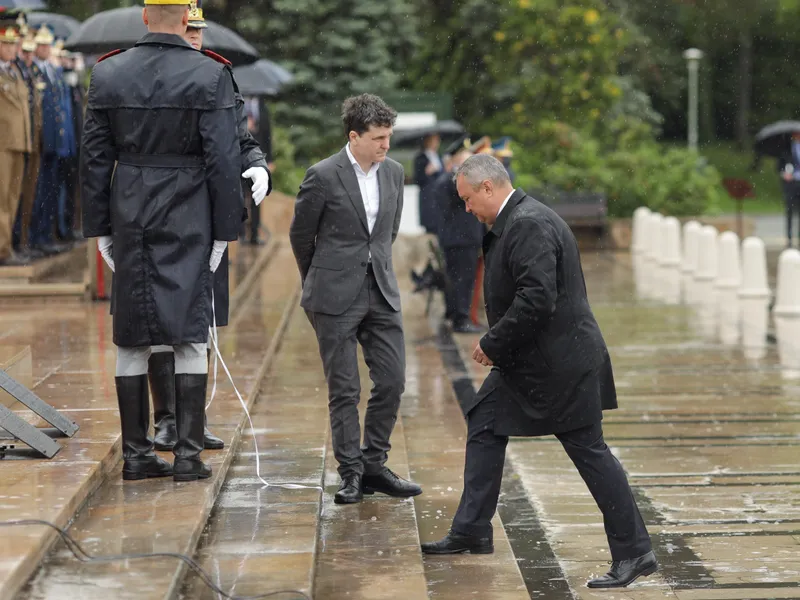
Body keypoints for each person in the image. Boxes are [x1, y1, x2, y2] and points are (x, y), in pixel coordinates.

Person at [422, 155, 658, 589]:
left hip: (562, 365)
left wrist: (492, 343)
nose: (467, 209)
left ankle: (635, 552)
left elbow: (537, 298)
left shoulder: (528, 223)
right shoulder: (515, 219)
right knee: (484, 421)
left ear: (489, 188)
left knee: (590, 452)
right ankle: (472, 529)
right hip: (533, 361)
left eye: (469, 199)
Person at [81, 0, 243, 482]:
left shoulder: (108, 74)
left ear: (147, 18)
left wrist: (99, 229)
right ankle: (188, 457)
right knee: (189, 332)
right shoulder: (210, 75)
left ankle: (137, 455)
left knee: (132, 335)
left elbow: (93, 161)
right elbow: (222, 161)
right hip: (189, 208)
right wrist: (226, 231)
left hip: (130, 208)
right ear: (184, 21)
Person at [145, 0, 271, 454]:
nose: (194, 38)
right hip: (162, 212)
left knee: (203, 320)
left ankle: (192, 420)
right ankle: (165, 419)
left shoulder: (220, 77)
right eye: (188, 30)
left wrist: (256, 164)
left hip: (207, 215)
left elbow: (242, 138)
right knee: (161, 320)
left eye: (199, 33)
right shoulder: (154, 74)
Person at [289, 94, 422, 504]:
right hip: (333, 295)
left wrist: (371, 264)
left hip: (380, 289)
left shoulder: (394, 173)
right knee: (344, 388)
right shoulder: (323, 175)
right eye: (378, 138)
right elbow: (300, 236)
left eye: (388, 137)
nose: (385, 145)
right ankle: (350, 473)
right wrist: (320, 278)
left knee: (393, 379)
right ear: (354, 136)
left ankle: (374, 464)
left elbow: (389, 231)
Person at [428, 147, 484, 333]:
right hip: (460, 240)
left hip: (462, 239)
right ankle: (461, 318)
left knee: (460, 279)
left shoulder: (448, 180)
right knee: (462, 280)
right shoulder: (450, 181)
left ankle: (456, 315)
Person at [0, 20, 31, 267]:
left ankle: (7, 246)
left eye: (12, 44)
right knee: (2, 200)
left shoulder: (15, 71)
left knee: (12, 199)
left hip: (19, 143)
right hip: (2, 145)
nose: (11, 49)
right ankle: (3, 249)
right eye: (5, 44)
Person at [413, 133, 443, 234]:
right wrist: (427, 172)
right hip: (429, 199)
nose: (437, 143)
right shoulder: (420, 158)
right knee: (431, 230)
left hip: (440, 197)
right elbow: (417, 179)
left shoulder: (439, 156)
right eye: (434, 140)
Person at [778, 132, 800, 248]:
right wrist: (784, 174)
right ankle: (790, 239)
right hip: (791, 184)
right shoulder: (786, 150)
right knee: (790, 211)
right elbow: (780, 166)